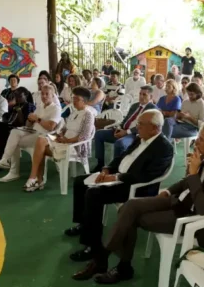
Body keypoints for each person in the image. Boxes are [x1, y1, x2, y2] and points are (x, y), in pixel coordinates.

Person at [75, 121, 204, 282]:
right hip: (178, 202)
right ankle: (109, 261)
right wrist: (168, 190)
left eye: (201, 139)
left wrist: (193, 174)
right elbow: (186, 182)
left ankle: (115, 264)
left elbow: (203, 209)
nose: (197, 141)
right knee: (129, 206)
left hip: (190, 217)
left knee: (132, 217)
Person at [65, 110, 174, 267]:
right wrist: (107, 169)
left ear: (155, 128)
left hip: (134, 187)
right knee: (80, 182)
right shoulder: (141, 138)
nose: (137, 127)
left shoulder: (164, 148)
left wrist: (117, 178)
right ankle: (83, 223)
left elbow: (146, 177)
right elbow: (122, 157)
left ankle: (93, 246)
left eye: (141, 124)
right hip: (118, 177)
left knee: (93, 194)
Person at [23, 87, 96, 192]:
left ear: (84, 101)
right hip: (64, 142)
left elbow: (83, 136)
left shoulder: (88, 115)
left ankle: (36, 180)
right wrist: (60, 135)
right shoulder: (74, 113)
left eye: (76, 99)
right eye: (73, 98)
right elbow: (65, 128)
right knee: (40, 141)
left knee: (40, 146)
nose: (73, 101)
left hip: (74, 147)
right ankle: (35, 179)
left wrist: (66, 141)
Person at [0, 83, 63, 182]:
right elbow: (28, 125)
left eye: (47, 94)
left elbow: (51, 127)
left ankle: (12, 170)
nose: (44, 96)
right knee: (14, 132)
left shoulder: (56, 108)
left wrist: (37, 119)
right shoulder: (40, 106)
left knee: (14, 141)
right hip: (33, 131)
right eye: (42, 94)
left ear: (52, 95)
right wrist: (30, 119)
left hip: (44, 137)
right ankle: (6, 161)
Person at [93, 86, 157, 168]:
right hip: (123, 130)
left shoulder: (152, 109)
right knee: (99, 134)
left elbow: (144, 127)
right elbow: (126, 119)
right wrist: (119, 128)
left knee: (120, 143)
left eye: (144, 94)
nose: (141, 96)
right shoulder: (135, 105)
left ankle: (115, 168)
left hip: (135, 135)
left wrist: (126, 132)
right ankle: (100, 164)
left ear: (150, 97)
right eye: (140, 94)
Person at [0, 86, 35, 174]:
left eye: (20, 96)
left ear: (26, 95)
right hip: (10, 126)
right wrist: (9, 108)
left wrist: (19, 111)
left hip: (21, 130)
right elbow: (6, 117)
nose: (18, 98)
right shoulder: (16, 105)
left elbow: (24, 123)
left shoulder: (30, 106)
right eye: (16, 96)